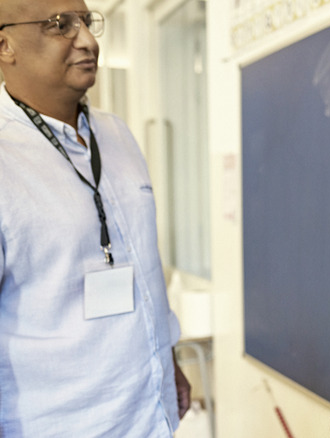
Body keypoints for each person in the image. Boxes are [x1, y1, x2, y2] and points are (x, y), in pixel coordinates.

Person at [0, 1, 191, 436]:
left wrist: (169, 360)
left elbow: (144, 266)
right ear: (5, 45)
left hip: (150, 414)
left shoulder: (117, 134)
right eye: (60, 25)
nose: (87, 40)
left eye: (87, 22)